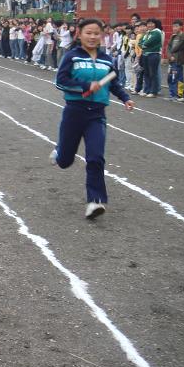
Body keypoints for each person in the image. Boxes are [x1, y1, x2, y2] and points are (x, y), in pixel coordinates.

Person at [51, 18, 135, 220]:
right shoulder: (71, 56)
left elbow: (113, 83)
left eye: (96, 33)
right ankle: (60, 152)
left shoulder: (107, 60)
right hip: (74, 113)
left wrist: (125, 98)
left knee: (96, 158)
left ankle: (95, 201)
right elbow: (61, 82)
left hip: (96, 115)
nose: (92, 36)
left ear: (102, 35)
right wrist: (86, 86)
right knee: (65, 161)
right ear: (79, 34)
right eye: (88, 32)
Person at [138, 18, 164, 98]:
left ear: (155, 24)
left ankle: (153, 91)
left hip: (153, 54)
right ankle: (147, 90)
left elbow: (149, 42)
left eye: (152, 23)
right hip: (145, 54)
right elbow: (140, 42)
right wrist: (143, 45)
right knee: (147, 73)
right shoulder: (148, 33)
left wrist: (144, 45)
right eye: (148, 23)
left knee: (153, 73)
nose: (150, 25)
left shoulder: (157, 32)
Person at [167, 19, 184, 102]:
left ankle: (178, 94)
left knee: (178, 78)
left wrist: (172, 54)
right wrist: (170, 56)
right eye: (173, 26)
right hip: (171, 60)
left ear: (181, 27)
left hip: (178, 60)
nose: (174, 28)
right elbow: (168, 47)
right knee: (170, 77)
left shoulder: (183, 36)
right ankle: (172, 94)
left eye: (176, 26)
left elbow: (178, 47)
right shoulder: (173, 36)